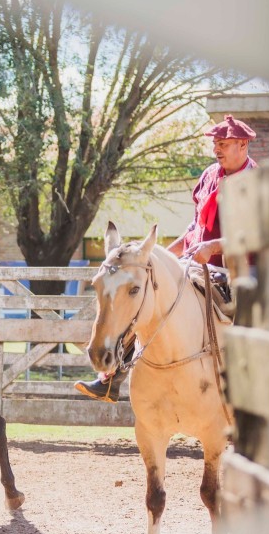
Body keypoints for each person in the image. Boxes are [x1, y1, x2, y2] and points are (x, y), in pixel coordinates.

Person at [75, 114, 259, 402]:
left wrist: (213, 247)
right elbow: (194, 227)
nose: (216, 149)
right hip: (197, 261)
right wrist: (164, 253)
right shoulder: (210, 175)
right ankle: (112, 379)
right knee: (147, 296)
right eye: (215, 144)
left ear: (243, 145)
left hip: (241, 267)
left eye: (223, 143)